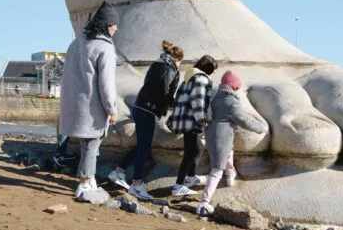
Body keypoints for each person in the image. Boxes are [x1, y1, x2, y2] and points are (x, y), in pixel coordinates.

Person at [59, 1, 119, 198]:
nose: (116, 28)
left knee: (86, 144)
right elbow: (106, 84)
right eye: (114, 24)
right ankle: (84, 183)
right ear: (107, 25)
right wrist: (112, 109)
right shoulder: (104, 47)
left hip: (74, 103)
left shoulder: (76, 43)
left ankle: (90, 179)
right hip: (92, 106)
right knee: (92, 143)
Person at [108, 40, 183, 199]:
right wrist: (174, 104)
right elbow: (164, 92)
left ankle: (118, 172)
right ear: (178, 59)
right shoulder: (169, 69)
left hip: (140, 107)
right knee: (144, 148)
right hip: (147, 110)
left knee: (142, 145)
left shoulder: (157, 64)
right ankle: (136, 185)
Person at [196, 70, 266, 216]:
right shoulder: (231, 102)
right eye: (236, 87)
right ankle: (204, 202)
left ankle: (230, 175)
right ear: (233, 86)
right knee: (216, 170)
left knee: (229, 153)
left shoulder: (217, 97)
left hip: (213, 132)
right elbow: (243, 120)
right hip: (222, 136)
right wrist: (261, 128)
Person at [168, 55, 218, 196]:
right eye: (213, 69)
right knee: (190, 153)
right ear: (208, 68)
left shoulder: (188, 79)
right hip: (192, 120)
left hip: (185, 120)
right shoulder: (201, 79)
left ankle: (190, 177)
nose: (214, 73)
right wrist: (201, 119)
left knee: (197, 149)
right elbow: (198, 100)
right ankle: (178, 186)